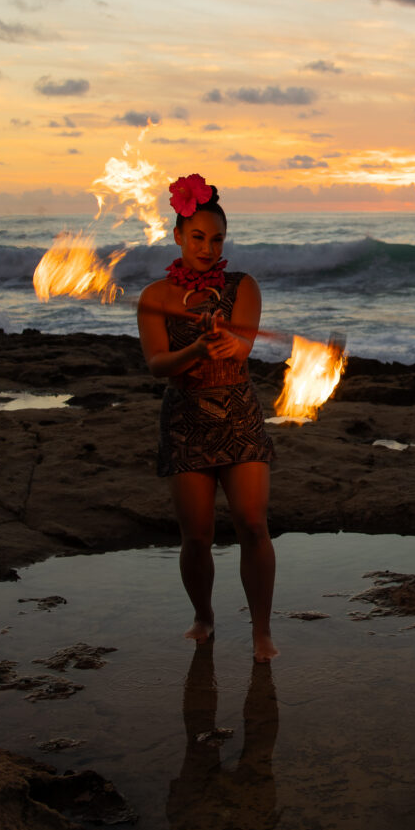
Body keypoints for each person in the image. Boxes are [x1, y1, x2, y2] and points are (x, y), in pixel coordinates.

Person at [137, 173, 280, 661]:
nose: (207, 247)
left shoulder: (243, 287)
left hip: (239, 416)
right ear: (178, 235)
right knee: (196, 537)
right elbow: (158, 364)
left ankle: (262, 631)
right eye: (197, 237)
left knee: (253, 525)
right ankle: (204, 615)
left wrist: (227, 341)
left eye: (216, 239)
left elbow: (243, 346)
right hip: (186, 420)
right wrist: (195, 350)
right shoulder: (155, 297)